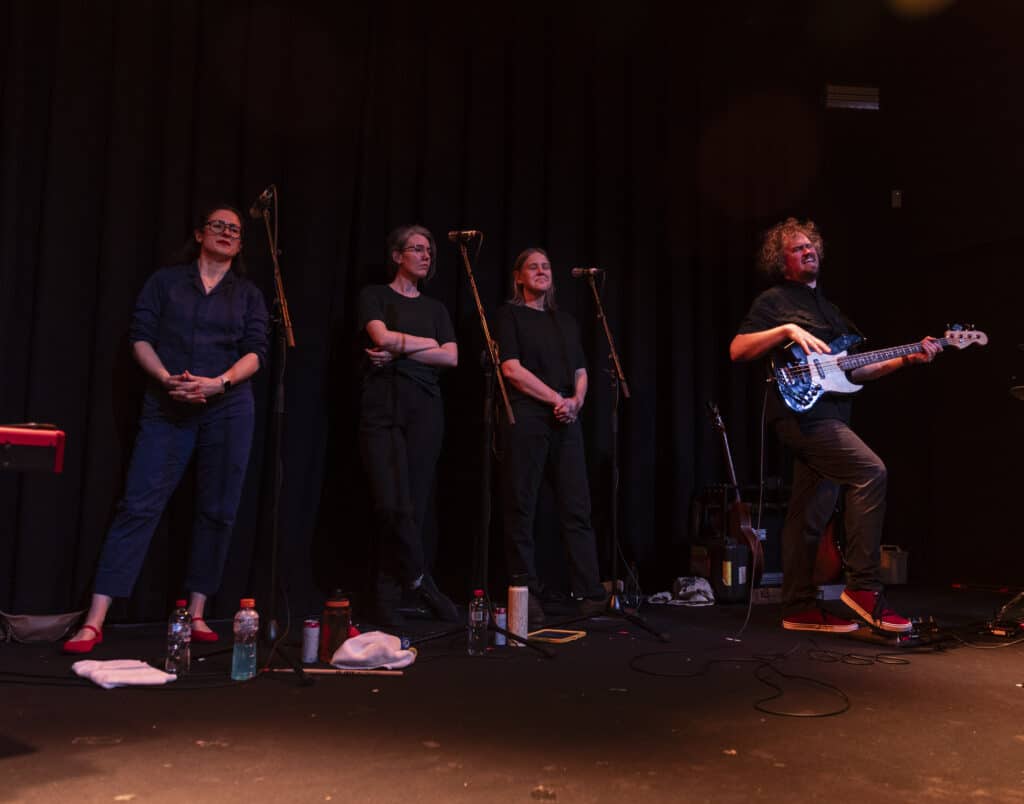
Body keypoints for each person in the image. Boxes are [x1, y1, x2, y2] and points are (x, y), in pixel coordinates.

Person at [63, 205, 269, 653]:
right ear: (199, 234)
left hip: (228, 407)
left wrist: (218, 383)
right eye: (217, 225)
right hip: (167, 404)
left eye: (234, 229)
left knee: (218, 510)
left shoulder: (247, 293)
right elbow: (140, 336)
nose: (226, 232)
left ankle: (196, 611)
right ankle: (94, 620)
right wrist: (165, 379)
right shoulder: (166, 282)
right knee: (138, 505)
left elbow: (256, 351)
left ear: (240, 244)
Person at [729, 217, 941, 634]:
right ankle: (864, 588)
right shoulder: (773, 301)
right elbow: (738, 350)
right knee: (870, 471)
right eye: (796, 248)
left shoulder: (831, 311)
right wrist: (787, 329)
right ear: (782, 261)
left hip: (833, 414)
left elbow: (855, 371)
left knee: (808, 514)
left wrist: (906, 358)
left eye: (810, 245)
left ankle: (798, 607)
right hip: (801, 415)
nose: (807, 250)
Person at [495, 248, 607, 625]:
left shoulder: (565, 321)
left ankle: (589, 593)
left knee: (577, 507)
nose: (542, 271)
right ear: (519, 277)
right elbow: (511, 369)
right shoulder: (509, 316)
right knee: (522, 508)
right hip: (528, 416)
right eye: (533, 267)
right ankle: (525, 593)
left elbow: (580, 370)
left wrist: (575, 401)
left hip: (566, 418)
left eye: (546, 266)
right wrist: (557, 399)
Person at [358, 224, 460, 627]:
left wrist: (400, 349)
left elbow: (451, 357)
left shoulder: (436, 309)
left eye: (429, 251)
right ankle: (421, 581)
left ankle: (389, 596)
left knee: (413, 504)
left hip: (425, 410)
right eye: (417, 249)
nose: (425, 256)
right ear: (397, 255)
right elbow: (379, 336)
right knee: (390, 503)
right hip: (382, 407)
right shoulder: (375, 296)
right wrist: (425, 345)